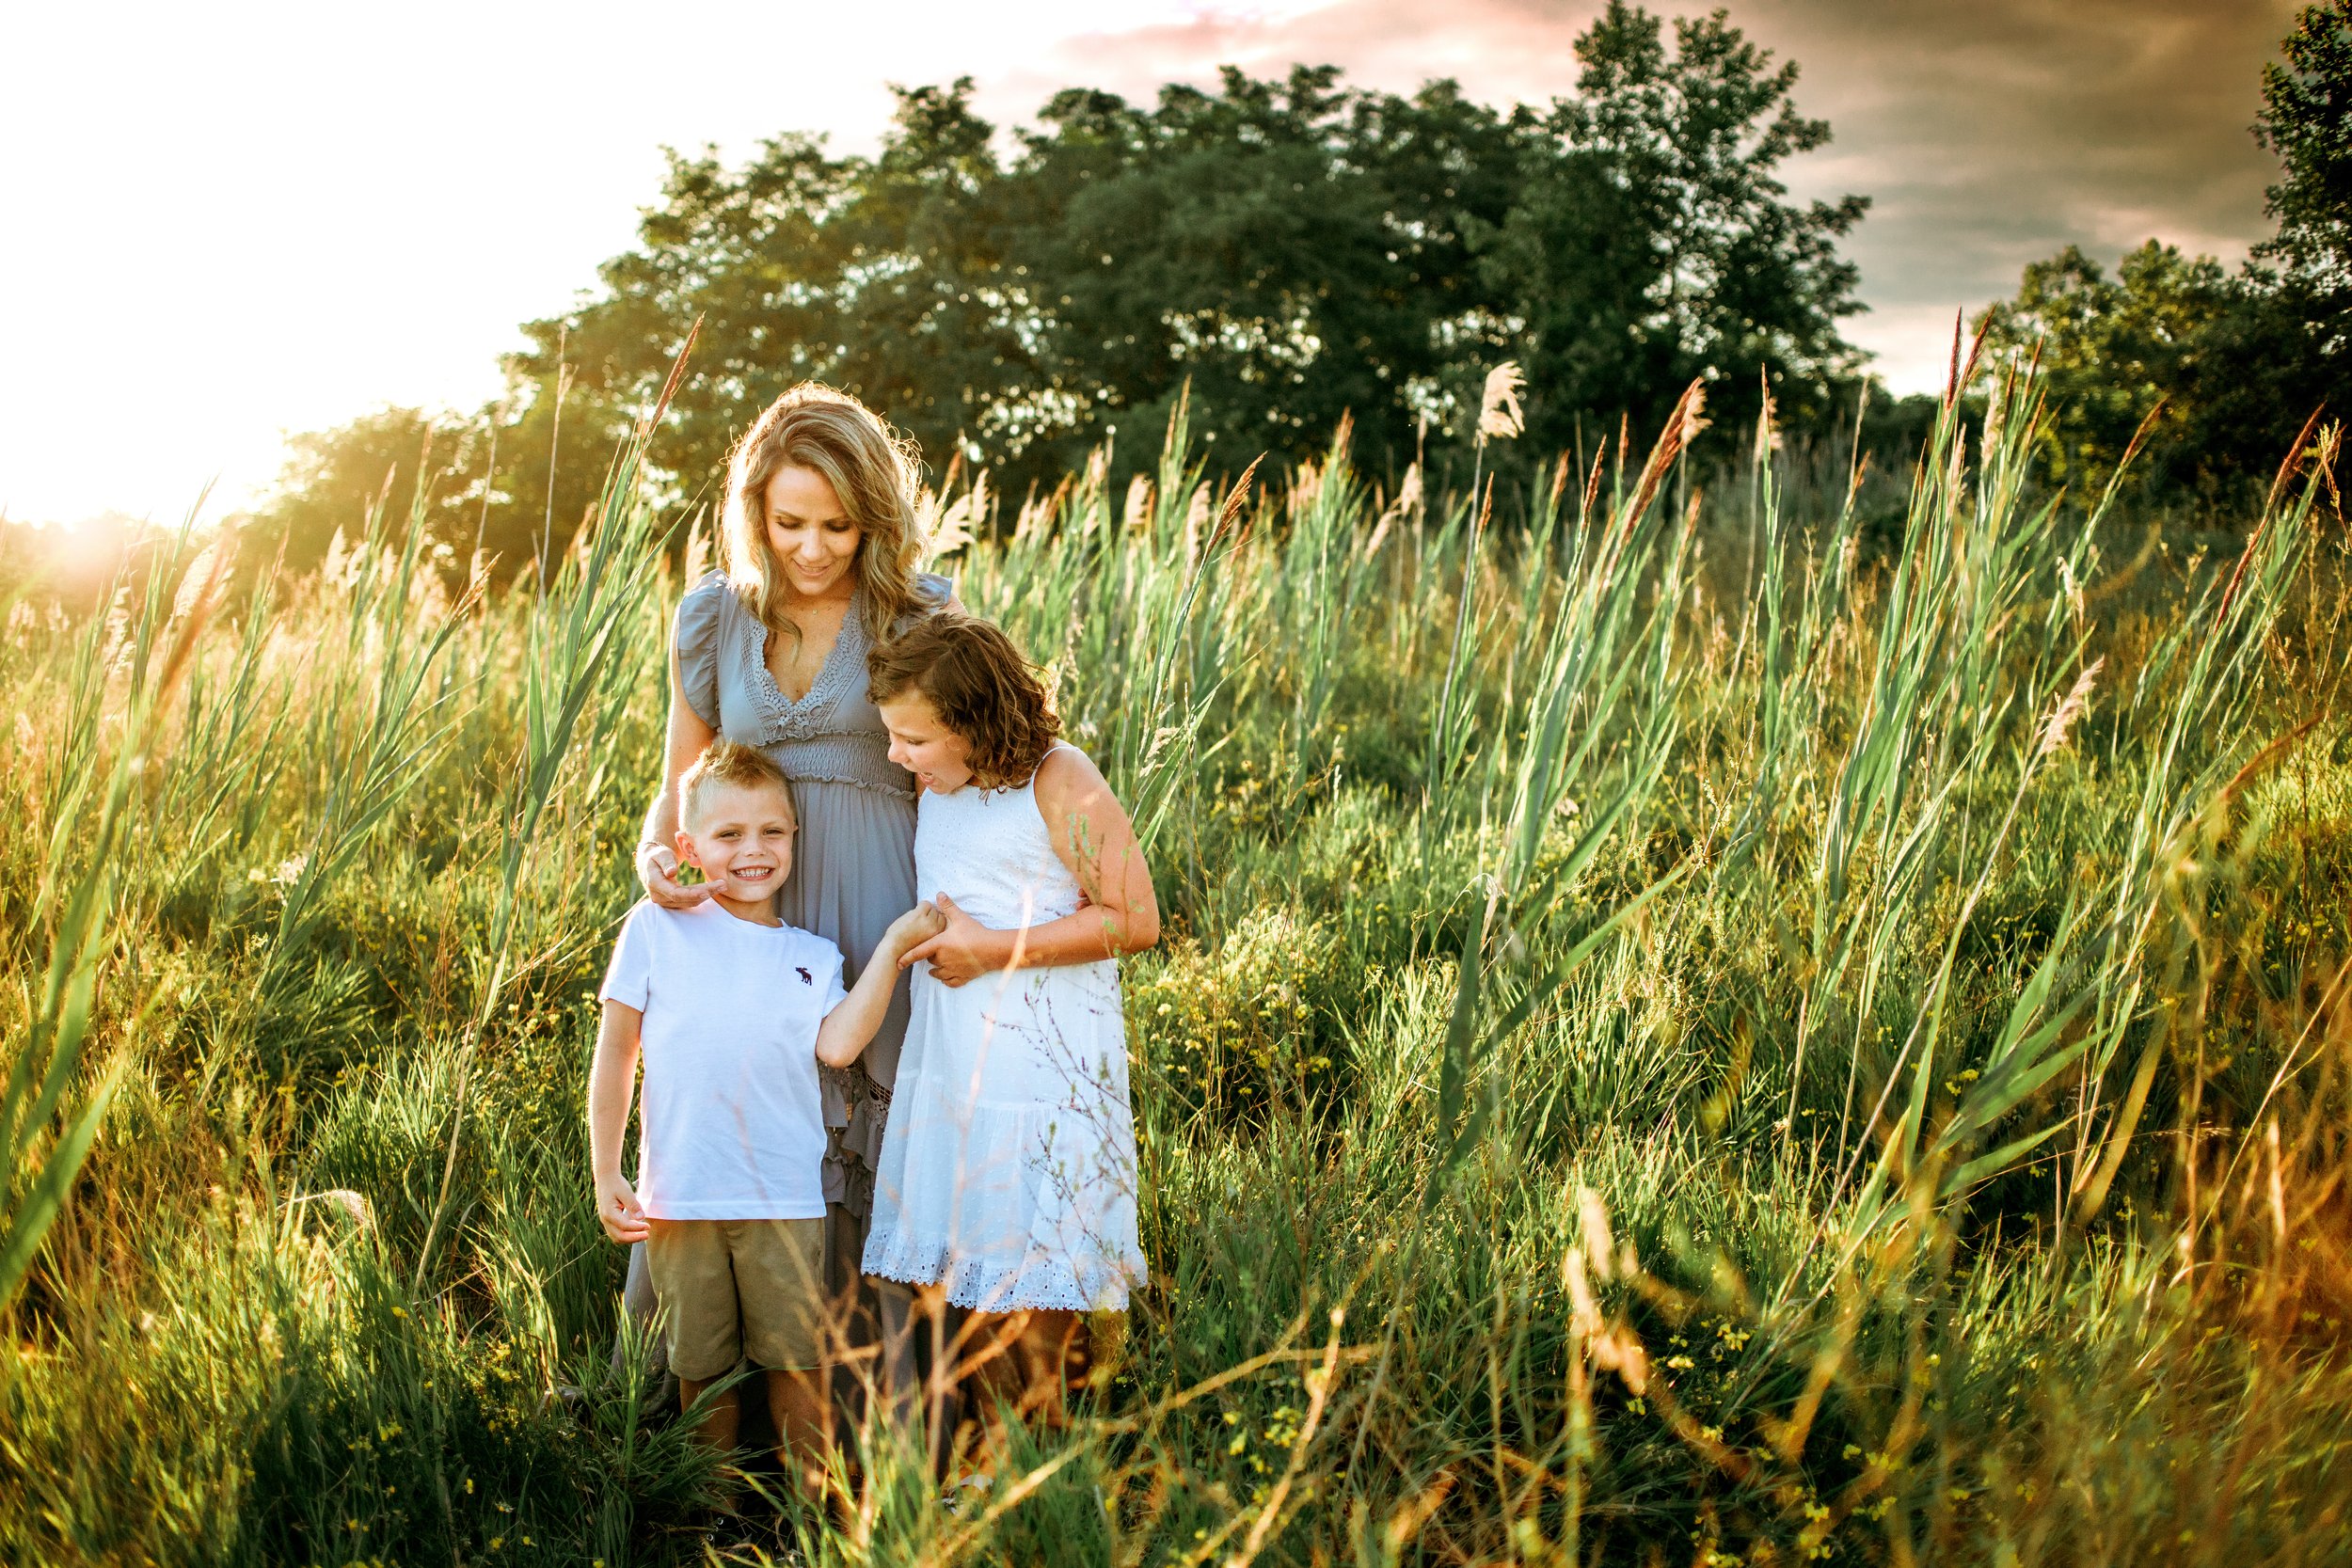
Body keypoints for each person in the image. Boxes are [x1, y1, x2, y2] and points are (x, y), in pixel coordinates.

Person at [627, 383, 951, 1421]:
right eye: (790, 521)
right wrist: (655, 857)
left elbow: (969, 769)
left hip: (877, 906)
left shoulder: (917, 612)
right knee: (749, 1131)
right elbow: (679, 780)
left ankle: (871, 1426)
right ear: (755, 511)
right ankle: (721, 1427)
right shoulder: (715, 614)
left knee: (867, 1140)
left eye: (838, 524)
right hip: (745, 913)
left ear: (875, 516)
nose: (814, 547)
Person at [588, 739, 944, 1496]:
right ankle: (712, 1512)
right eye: (729, 835)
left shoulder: (810, 955)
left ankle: (809, 1515)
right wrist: (606, 1166)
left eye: (772, 832)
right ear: (687, 847)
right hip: (681, 1198)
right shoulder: (654, 929)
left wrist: (890, 949)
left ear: (794, 837)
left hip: (785, 1202)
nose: (754, 851)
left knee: (797, 1364)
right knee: (703, 1371)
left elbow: (841, 1042)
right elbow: (617, 1049)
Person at [859, 613, 1158, 1468]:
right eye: (892, 734)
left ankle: (1046, 1480)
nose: (897, 755)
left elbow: (1136, 918)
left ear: (974, 719)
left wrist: (989, 948)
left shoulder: (1060, 781)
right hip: (957, 1063)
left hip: (1043, 1068)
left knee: (1035, 1278)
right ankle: (991, 1472)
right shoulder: (938, 786)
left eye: (914, 736)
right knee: (973, 1271)